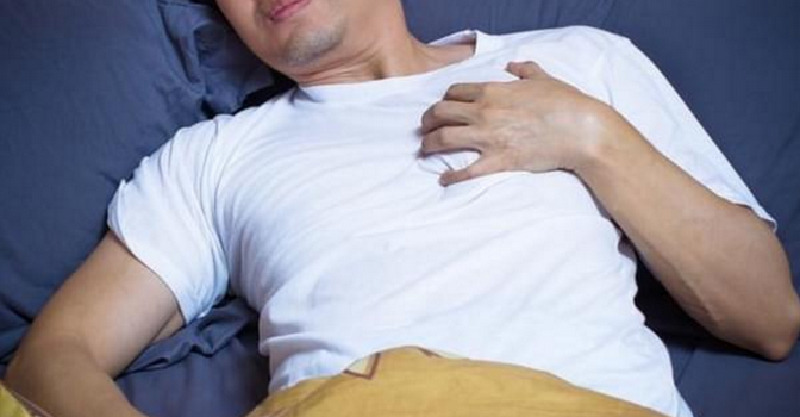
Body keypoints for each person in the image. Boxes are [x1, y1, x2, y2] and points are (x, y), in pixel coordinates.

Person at [7, 0, 800, 416]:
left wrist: (590, 138)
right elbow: (54, 357)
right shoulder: (215, 157)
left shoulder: (578, 62)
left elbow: (768, 315)